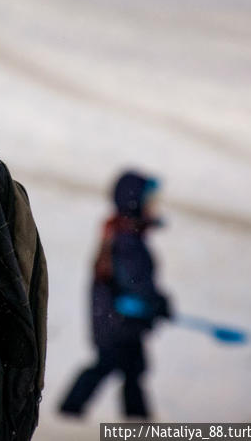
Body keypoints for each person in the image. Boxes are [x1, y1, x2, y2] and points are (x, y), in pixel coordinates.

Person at [59, 169, 171, 419]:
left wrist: (156, 302)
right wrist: (155, 304)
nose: (155, 206)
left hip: (118, 322)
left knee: (128, 370)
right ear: (135, 203)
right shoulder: (127, 241)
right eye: (150, 201)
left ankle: (75, 412)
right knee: (115, 367)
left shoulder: (123, 235)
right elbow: (135, 283)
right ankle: (69, 413)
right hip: (118, 324)